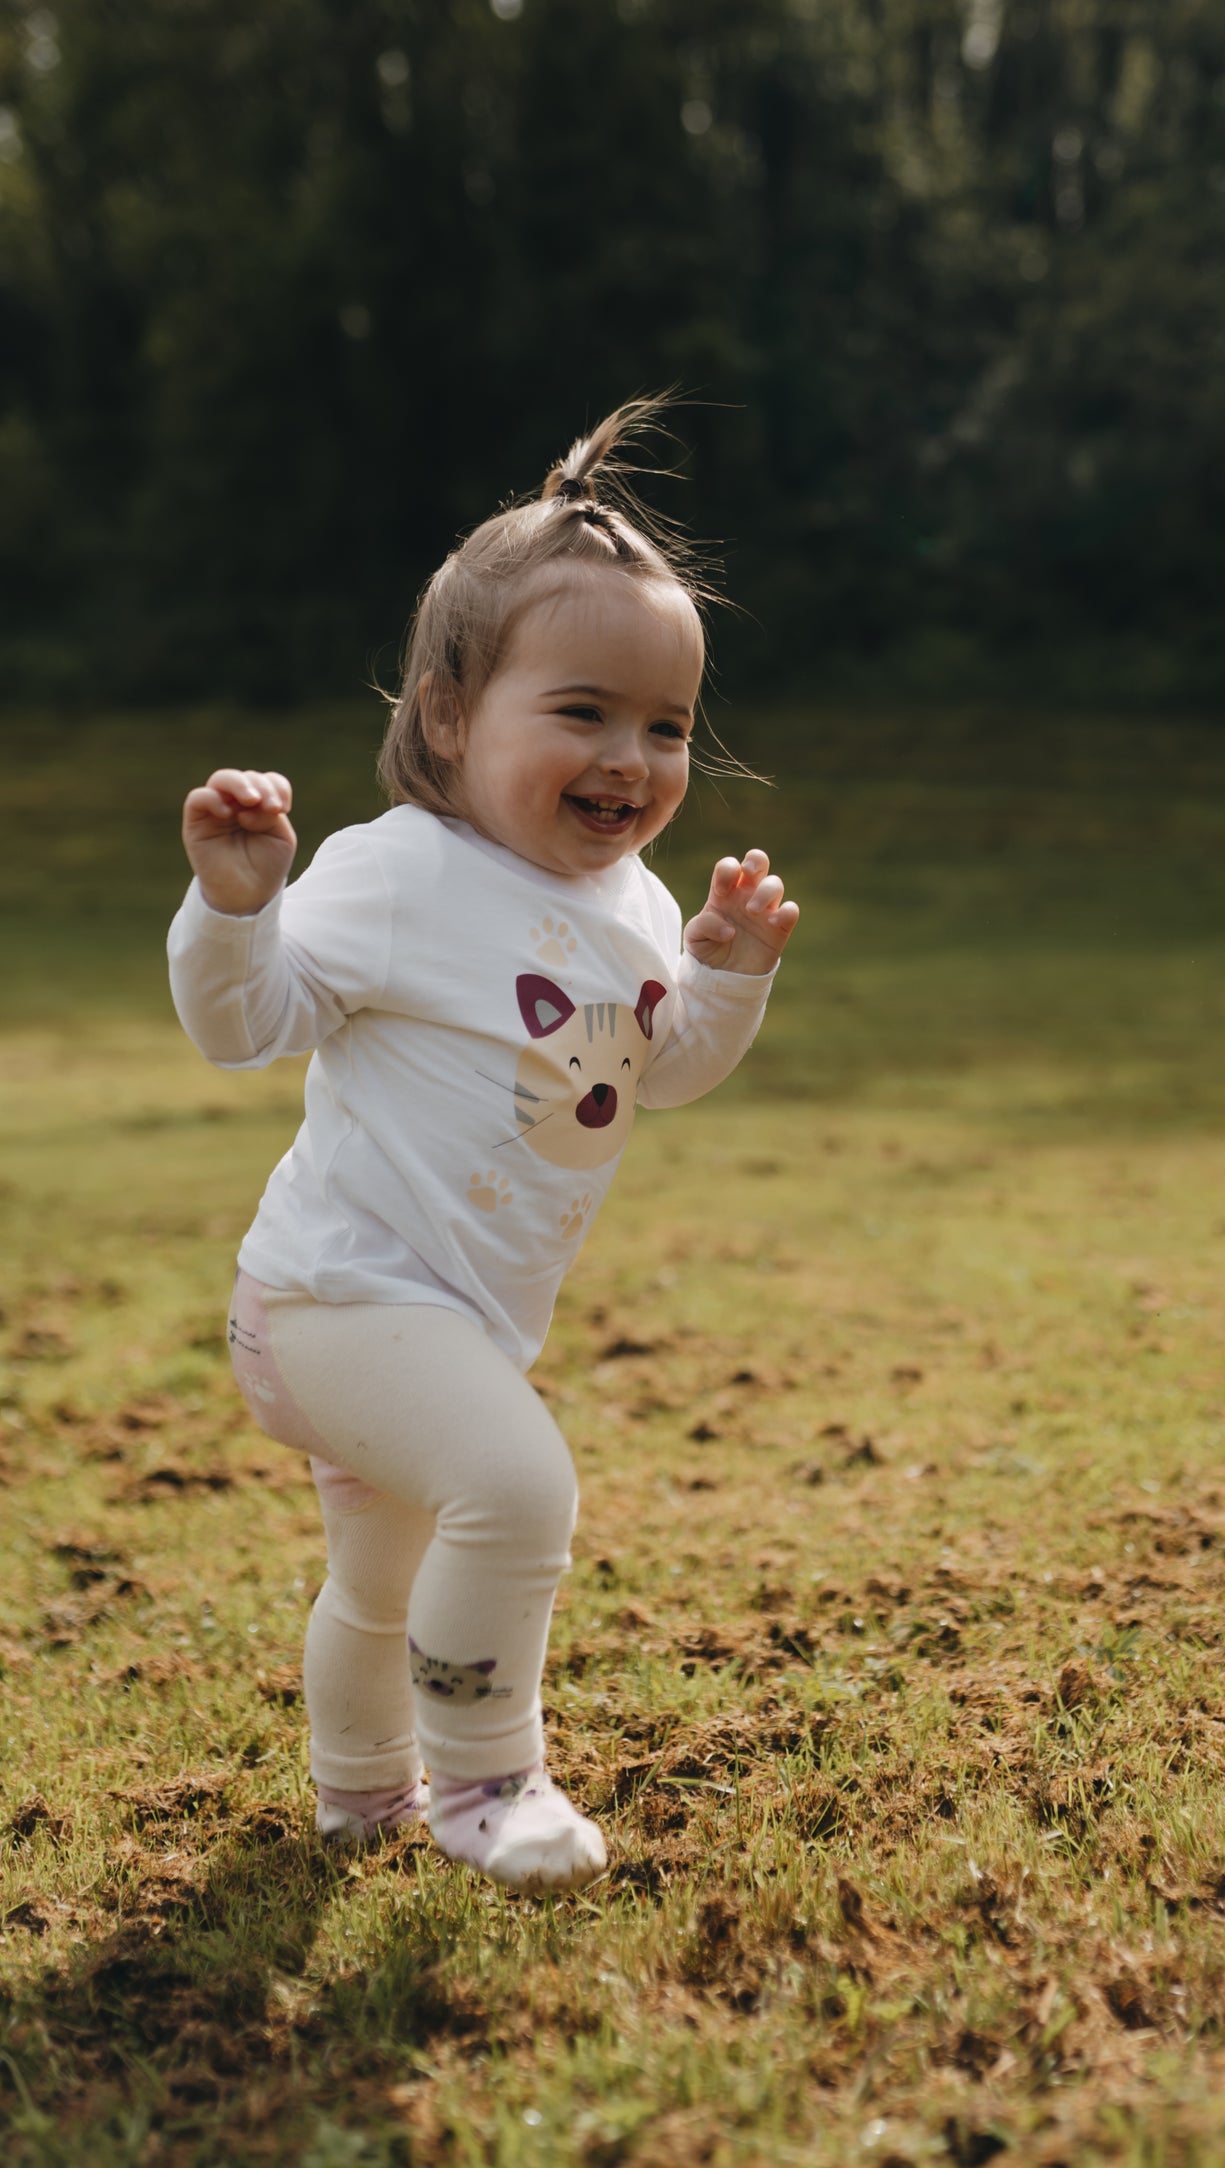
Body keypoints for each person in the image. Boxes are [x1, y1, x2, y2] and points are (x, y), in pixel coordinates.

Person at [167, 402, 798, 1892]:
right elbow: (242, 1028)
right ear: (451, 714)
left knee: (384, 1580)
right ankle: (487, 1782)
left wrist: (725, 974)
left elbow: (663, 1076)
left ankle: (361, 1792)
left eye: (665, 728)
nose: (629, 760)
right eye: (580, 712)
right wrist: (237, 908)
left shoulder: (637, 905)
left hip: (453, 1319)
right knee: (515, 1494)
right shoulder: (396, 872)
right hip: (333, 1302)